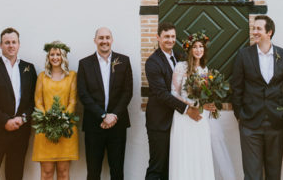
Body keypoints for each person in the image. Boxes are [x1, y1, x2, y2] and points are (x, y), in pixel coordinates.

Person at [231, 15, 283, 180]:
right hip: (250, 124)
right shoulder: (243, 55)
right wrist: (240, 115)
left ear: (269, 32)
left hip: (277, 122)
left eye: (258, 29)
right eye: (254, 28)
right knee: (252, 174)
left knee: (274, 173)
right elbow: (236, 88)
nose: (254, 32)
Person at [168, 32, 236, 180]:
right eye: (195, 47)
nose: (198, 50)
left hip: (201, 117)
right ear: (189, 49)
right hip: (184, 117)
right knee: (185, 153)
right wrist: (196, 104)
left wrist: (209, 103)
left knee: (200, 152)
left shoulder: (205, 70)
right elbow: (174, 93)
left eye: (201, 47)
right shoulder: (181, 66)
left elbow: (205, 95)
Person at [0, 28, 38, 180]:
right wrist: (5, 121)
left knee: (15, 175)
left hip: (20, 131)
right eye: (7, 42)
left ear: (19, 44)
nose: (11, 45)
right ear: (0, 45)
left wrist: (23, 118)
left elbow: (34, 99)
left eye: (14, 42)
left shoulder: (29, 68)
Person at [146, 21, 202, 180]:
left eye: (173, 36)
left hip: (179, 123)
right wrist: (187, 109)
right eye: (166, 37)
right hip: (160, 122)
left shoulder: (180, 57)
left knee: (173, 167)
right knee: (157, 166)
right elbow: (161, 93)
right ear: (158, 37)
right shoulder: (152, 62)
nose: (170, 40)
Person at [77, 27, 133, 180]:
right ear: (95, 40)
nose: (104, 41)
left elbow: (127, 92)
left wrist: (113, 115)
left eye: (107, 37)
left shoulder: (124, 61)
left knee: (117, 171)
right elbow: (83, 94)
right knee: (93, 172)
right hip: (94, 125)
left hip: (118, 124)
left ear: (112, 40)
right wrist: (102, 115)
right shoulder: (84, 64)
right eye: (101, 38)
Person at [33, 40, 79, 180]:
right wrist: (48, 119)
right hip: (45, 129)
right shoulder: (42, 76)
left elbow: (73, 100)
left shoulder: (72, 76)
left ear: (63, 56)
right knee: (46, 172)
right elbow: (38, 100)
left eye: (58, 54)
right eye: (52, 54)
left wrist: (62, 119)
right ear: (48, 57)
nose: (54, 57)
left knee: (63, 172)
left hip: (66, 128)